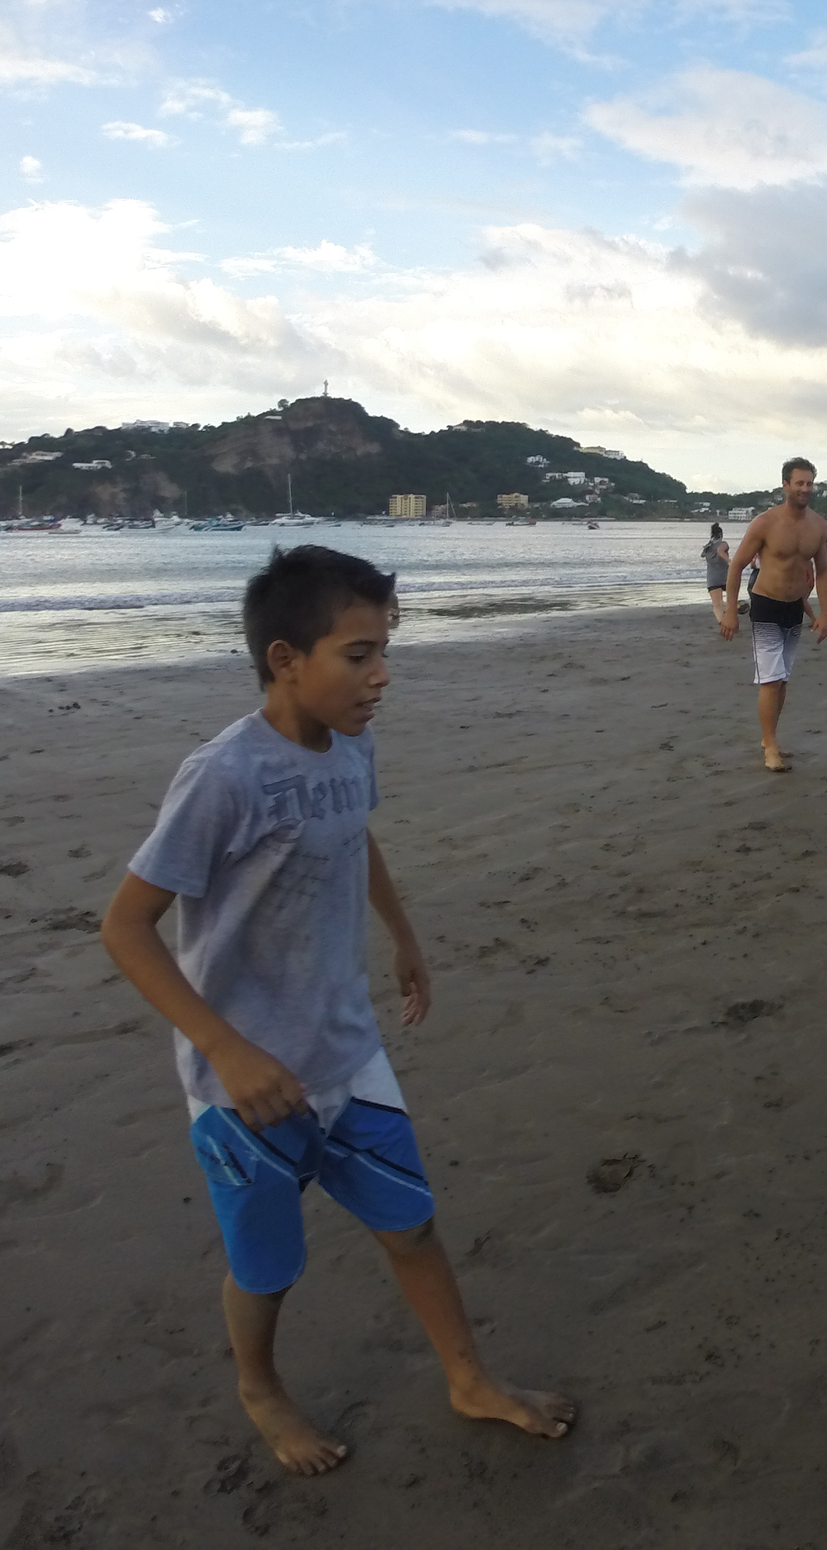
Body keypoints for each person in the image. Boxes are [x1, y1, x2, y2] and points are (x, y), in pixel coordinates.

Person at [97, 546, 572, 1477]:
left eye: (385, 649)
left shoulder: (353, 744)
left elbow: (356, 834)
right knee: (267, 1266)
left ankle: (469, 1378)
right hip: (246, 1088)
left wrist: (402, 933)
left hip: (348, 1055)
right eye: (359, 654)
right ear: (285, 659)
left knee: (413, 1226)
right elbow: (124, 928)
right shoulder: (224, 776)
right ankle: (261, 1388)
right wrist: (226, 1049)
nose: (381, 674)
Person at [719, 461, 827, 772]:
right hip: (766, 605)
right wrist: (730, 611)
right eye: (799, 483)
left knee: (782, 679)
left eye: (809, 483)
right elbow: (736, 565)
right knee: (770, 679)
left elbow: (823, 571)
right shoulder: (765, 523)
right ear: (785, 485)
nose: (805, 489)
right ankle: (769, 747)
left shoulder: (818, 526)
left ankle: (770, 738)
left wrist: (824, 612)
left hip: (794, 607)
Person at [702, 521, 733, 626]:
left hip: (712, 577)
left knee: (716, 604)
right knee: (730, 599)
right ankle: (733, 610)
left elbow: (702, 555)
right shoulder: (723, 544)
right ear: (721, 534)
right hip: (725, 576)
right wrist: (730, 561)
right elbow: (720, 551)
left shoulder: (708, 547)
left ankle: (721, 622)